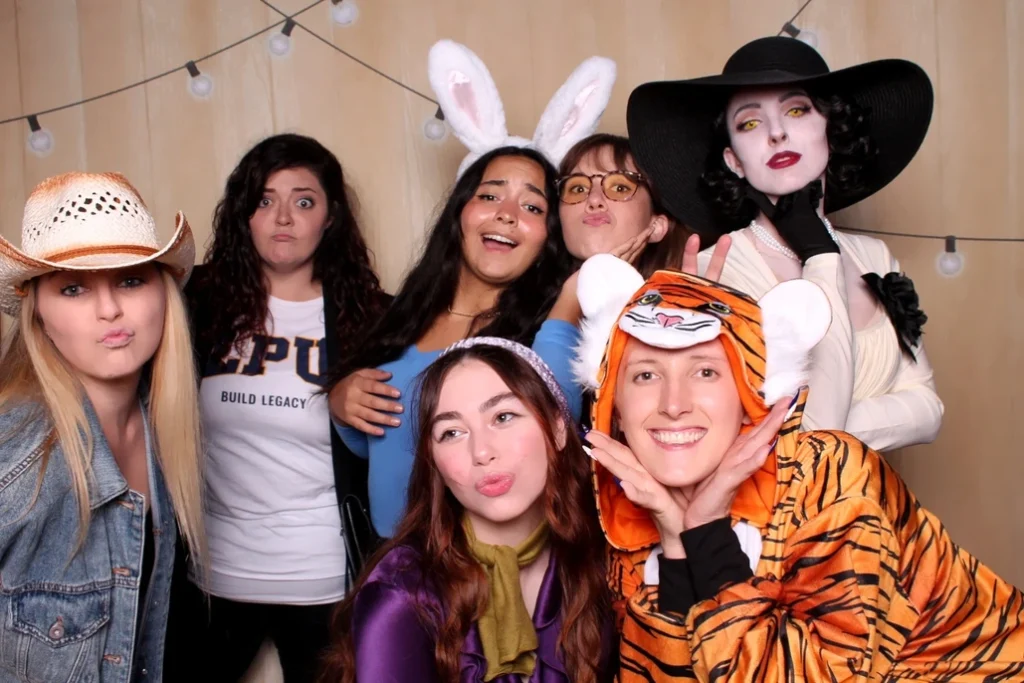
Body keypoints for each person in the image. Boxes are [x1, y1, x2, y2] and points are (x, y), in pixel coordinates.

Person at [573, 253, 1024, 681]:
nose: (673, 405)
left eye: (706, 372)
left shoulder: (832, 475)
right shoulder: (626, 512)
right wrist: (675, 537)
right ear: (614, 405)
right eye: (646, 375)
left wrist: (707, 529)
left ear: (752, 399)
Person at [326, 39, 620, 543]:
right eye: (489, 195)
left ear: (549, 237)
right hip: (394, 570)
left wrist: (572, 293)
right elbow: (377, 446)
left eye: (532, 207)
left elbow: (559, 417)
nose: (506, 213)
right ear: (460, 213)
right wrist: (342, 404)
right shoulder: (402, 317)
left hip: (491, 574)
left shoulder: (550, 334)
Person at [627, 36, 943, 451]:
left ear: (831, 128)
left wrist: (826, 424)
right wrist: (820, 256)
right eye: (750, 123)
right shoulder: (711, 271)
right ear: (733, 160)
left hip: (881, 512)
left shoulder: (874, 256)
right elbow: (798, 437)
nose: (777, 133)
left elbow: (929, 411)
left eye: (796, 110)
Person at [170, 133, 388, 682]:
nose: (283, 217)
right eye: (265, 200)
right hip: (213, 577)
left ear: (331, 217)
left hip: (323, 579)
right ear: (244, 214)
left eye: (303, 201)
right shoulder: (197, 304)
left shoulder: (371, 319)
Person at [0, 172, 205, 682]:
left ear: (163, 294)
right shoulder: (17, 453)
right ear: (39, 313)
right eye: (73, 288)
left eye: (130, 279)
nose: (110, 308)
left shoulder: (159, 429)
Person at [321, 339, 614, 683]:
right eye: (452, 432)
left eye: (503, 417)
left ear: (558, 427)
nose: (482, 451)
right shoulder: (401, 595)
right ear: (435, 463)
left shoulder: (602, 559)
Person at [557, 132, 730, 278]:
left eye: (619, 187)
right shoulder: (535, 308)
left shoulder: (675, 311)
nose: (594, 200)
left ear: (656, 226)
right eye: (578, 188)